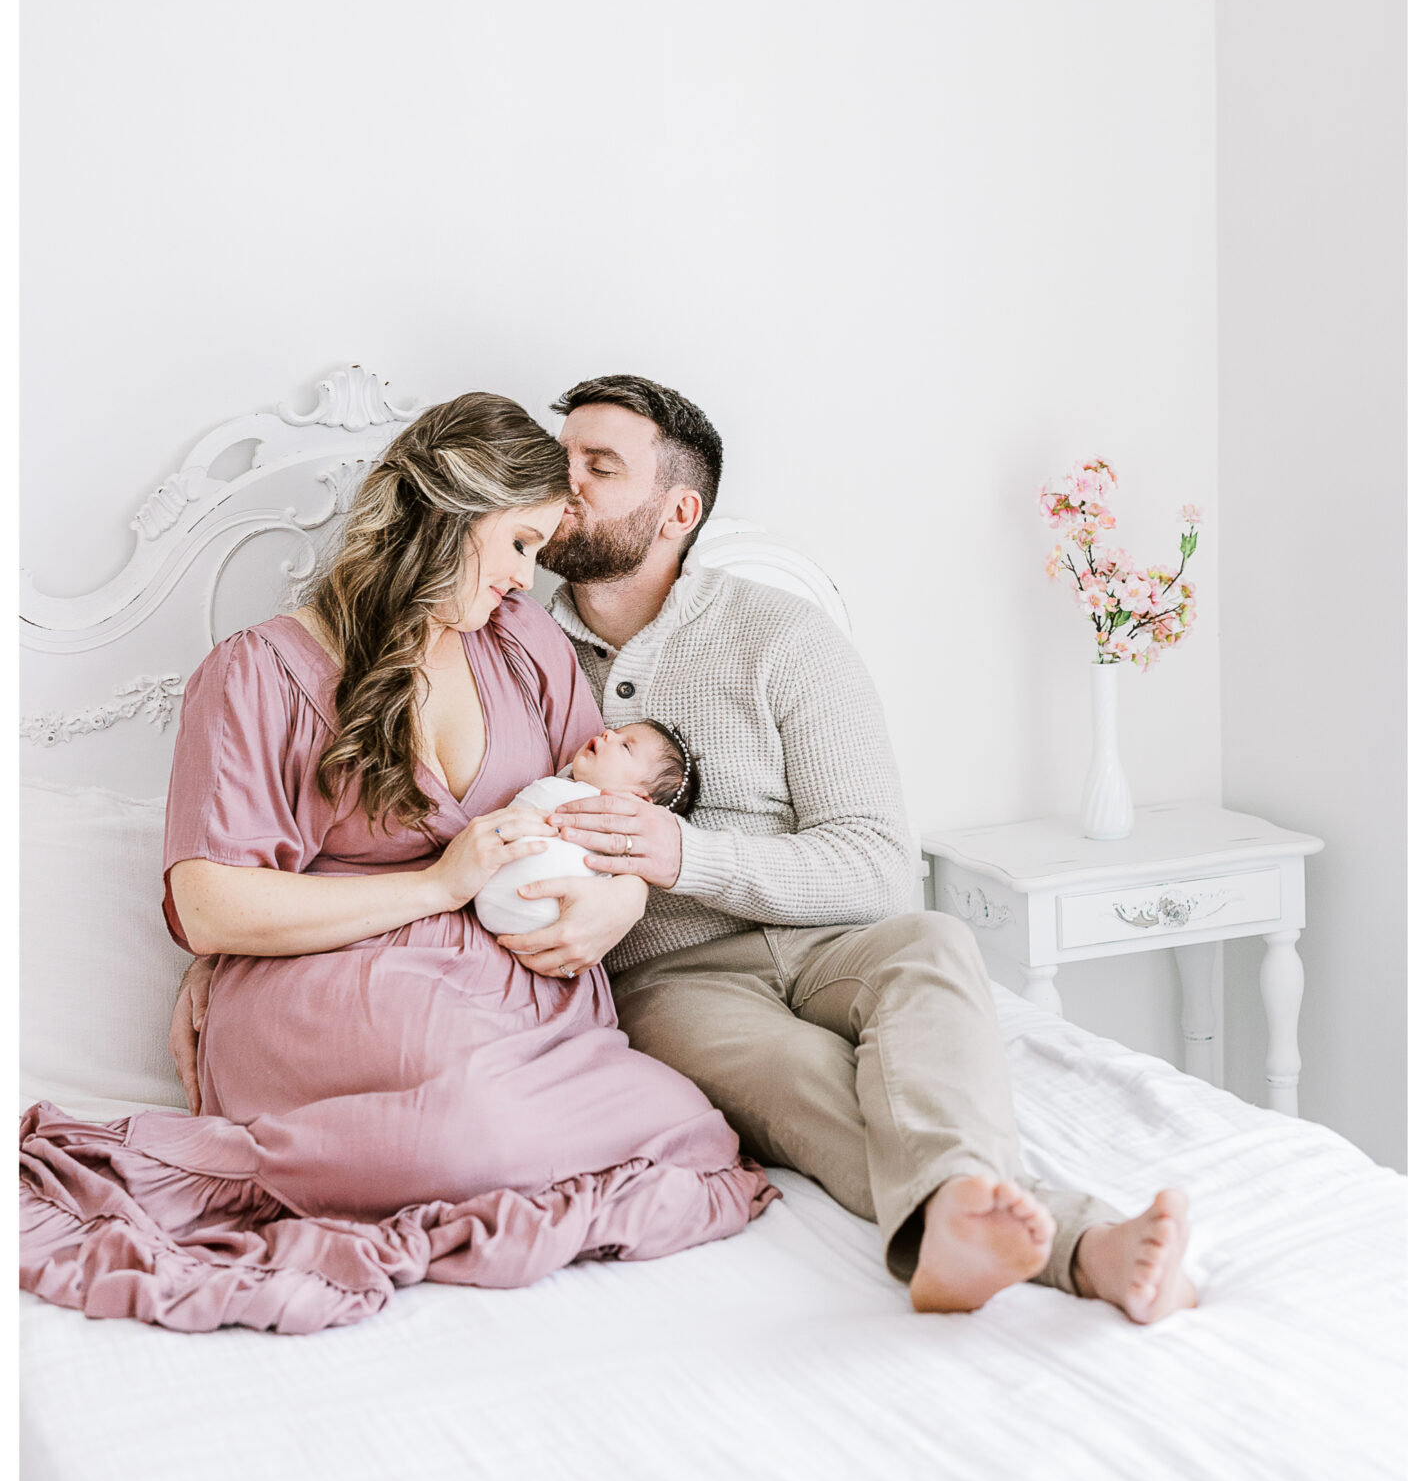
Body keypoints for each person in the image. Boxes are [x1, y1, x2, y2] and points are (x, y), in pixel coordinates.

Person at [171, 375, 1197, 1323]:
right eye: (551, 480)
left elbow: (871, 861)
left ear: (678, 513)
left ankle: (1007, 1228)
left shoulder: (757, 635)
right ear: (467, 515)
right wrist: (240, 957)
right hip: (650, 980)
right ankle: (1043, 1241)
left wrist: (658, 869)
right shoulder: (502, 632)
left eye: (595, 471)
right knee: (800, 1086)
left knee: (931, 949)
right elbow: (228, 883)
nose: (564, 499)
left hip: (783, 943)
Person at [20, 394, 774, 1335]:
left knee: (685, 1130)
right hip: (329, 988)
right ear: (453, 518)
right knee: (471, 1130)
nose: (525, 581)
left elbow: (606, 816)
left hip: (507, 1000)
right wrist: (436, 884)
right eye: (518, 547)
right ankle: (296, 1154)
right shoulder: (258, 673)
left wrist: (618, 900)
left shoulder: (522, 645)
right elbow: (209, 906)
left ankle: (484, 1125)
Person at [474, 720, 699, 937]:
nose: (608, 733)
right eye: (615, 730)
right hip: (491, 895)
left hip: (545, 916)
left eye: (626, 746)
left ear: (637, 798)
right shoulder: (568, 785)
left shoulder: (611, 824)